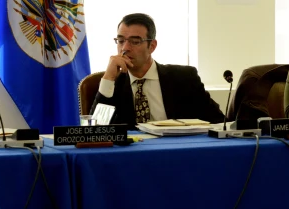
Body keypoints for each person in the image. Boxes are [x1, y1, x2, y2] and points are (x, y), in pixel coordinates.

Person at [91, 13, 224, 125]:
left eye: (135, 42)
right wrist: (108, 78)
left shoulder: (184, 79)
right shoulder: (111, 84)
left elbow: (218, 122)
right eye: (120, 41)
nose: (125, 48)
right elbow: (95, 130)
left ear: (152, 46)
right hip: (130, 153)